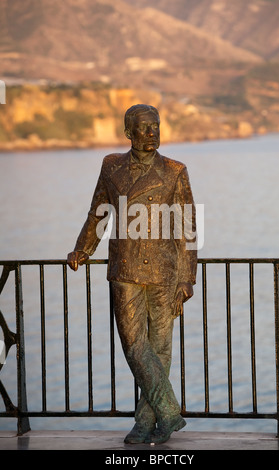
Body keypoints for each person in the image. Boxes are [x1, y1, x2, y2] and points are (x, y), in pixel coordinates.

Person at [67, 104, 197, 444]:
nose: (152, 132)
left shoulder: (174, 170)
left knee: (160, 348)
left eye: (156, 125)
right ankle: (169, 412)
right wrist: (83, 248)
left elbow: (188, 228)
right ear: (129, 132)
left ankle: (145, 423)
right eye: (144, 127)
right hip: (124, 268)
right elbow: (98, 213)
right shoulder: (111, 166)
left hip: (164, 272)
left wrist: (187, 278)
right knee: (133, 345)